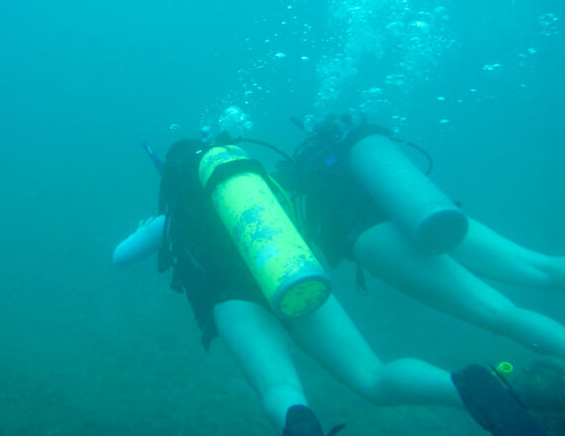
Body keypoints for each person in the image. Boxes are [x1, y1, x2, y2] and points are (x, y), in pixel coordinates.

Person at [114, 137, 544, 436]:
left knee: (279, 387)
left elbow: (120, 256)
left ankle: (301, 425)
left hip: (231, 300)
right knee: (372, 375)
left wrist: (149, 228)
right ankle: (465, 387)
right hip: (293, 275)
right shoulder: (258, 190)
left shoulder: (171, 215)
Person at [279, 114, 565, 363]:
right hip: (430, 214)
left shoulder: (310, 161)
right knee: (544, 269)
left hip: (370, 235)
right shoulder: (365, 145)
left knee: (501, 313)